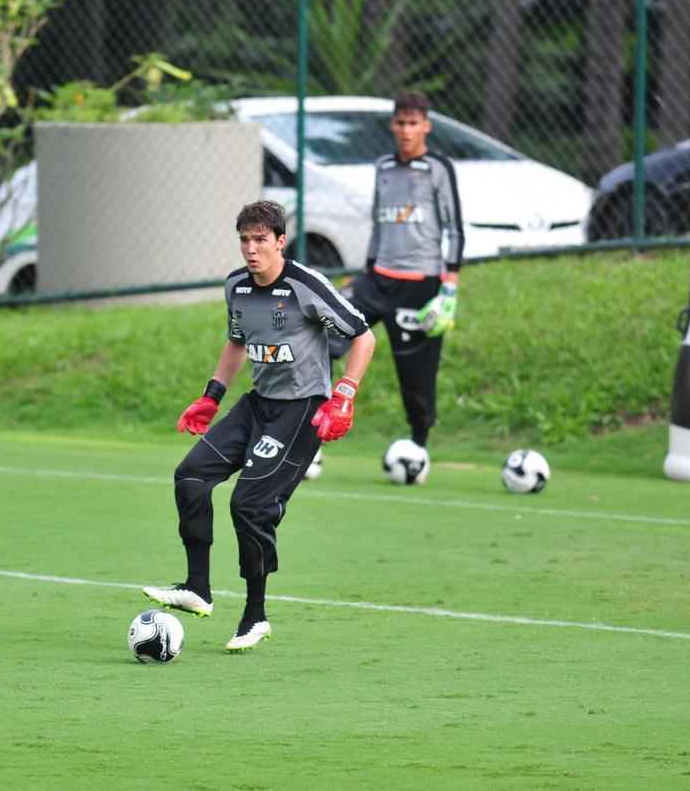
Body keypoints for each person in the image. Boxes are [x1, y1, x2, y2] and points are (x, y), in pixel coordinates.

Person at [143, 200, 376, 652]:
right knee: (190, 477)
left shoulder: (306, 286)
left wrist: (344, 395)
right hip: (257, 405)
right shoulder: (237, 287)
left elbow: (363, 336)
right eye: (244, 240)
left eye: (260, 240)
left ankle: (255, 616)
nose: (251, 250)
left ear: (280, 242)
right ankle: (197, 587)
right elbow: (236, 343)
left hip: (301, 411)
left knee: (248, 506)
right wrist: (211, 396)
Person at [313, 91, 463, 480]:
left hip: (422, 286)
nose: (406, 130)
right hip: (377, 280)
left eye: (414, 123)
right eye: (400, 122)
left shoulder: (438, 169)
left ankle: (418, 449)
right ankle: (312, 435)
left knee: (416, 376)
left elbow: (455, 230)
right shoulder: (382, 167)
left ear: (426, 126)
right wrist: (364, 272)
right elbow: (380, 226)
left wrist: (449, 289)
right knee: (322, 337)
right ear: (392, 125)